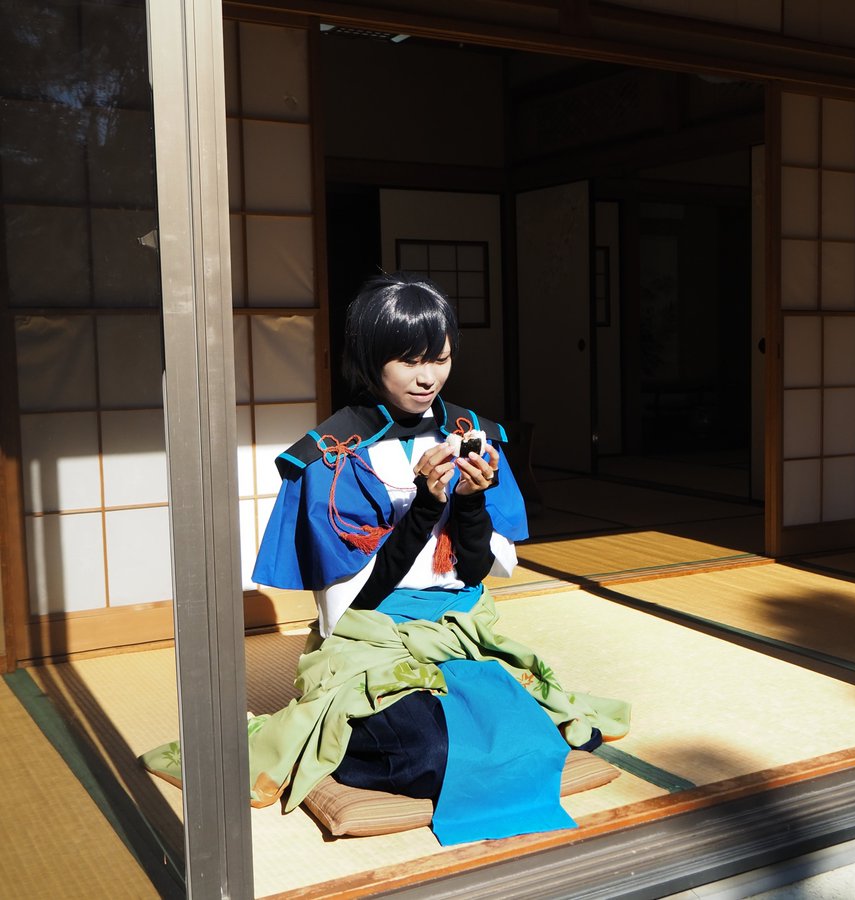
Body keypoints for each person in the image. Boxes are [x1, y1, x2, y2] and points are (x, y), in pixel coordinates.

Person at [244, 273, 629, 844]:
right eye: (408, 361)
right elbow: (358, 601)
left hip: (458, 629)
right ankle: (331, 738)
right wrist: (426, 504)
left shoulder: (474, 435)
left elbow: (473, 572)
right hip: (370, 638)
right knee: (432, 752)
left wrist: (470, 502)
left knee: (531, 735)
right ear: (370, 359)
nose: (427, 377)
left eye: (440, 358)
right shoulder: (331, 456)